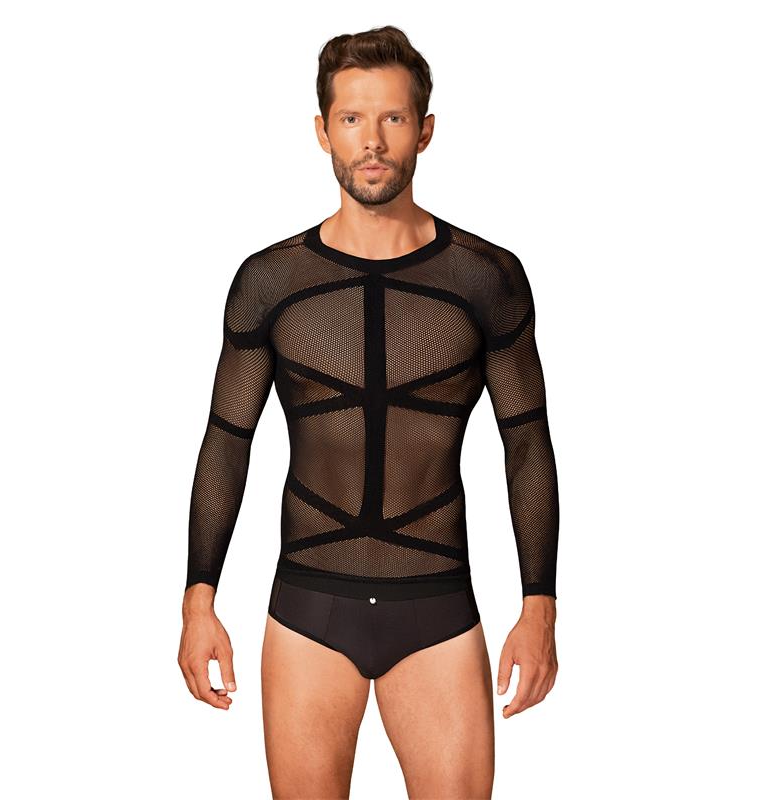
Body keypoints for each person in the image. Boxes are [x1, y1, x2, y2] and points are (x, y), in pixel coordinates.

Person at [178, 25, 559, 799]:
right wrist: (198, 598)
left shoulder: (485, 278)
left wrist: (539, 607)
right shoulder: (270, 282)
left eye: (392, 118)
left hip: (437, 604)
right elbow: (227, 439)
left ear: (425, 129)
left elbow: (526, 443)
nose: (372, 140)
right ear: (323, 131)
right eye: (352, 118)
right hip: (309, 605)